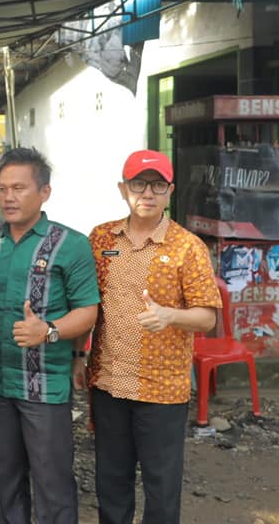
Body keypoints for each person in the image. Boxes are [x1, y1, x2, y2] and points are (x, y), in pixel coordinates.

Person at [80, 150, 220, 524]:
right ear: (123, 189)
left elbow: (207, 317)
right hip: (109, 383)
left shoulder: (187, 247)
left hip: (162, 389)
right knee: (111, 483)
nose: (148, 193)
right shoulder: (100, 238)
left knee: (161, 487)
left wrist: (170, 315)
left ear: (170, 191)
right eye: (139, 184)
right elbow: (86, 304)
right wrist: (80, 357)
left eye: (158, 185)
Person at [0, 147, 99, 524]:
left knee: (52, 483)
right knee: (4, 479)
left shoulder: (70, 244)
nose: (8, 197)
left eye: (19, 188)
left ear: (44, 192)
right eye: (3, 188)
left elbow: (88, 311)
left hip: (43, 387)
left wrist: (49, 330)